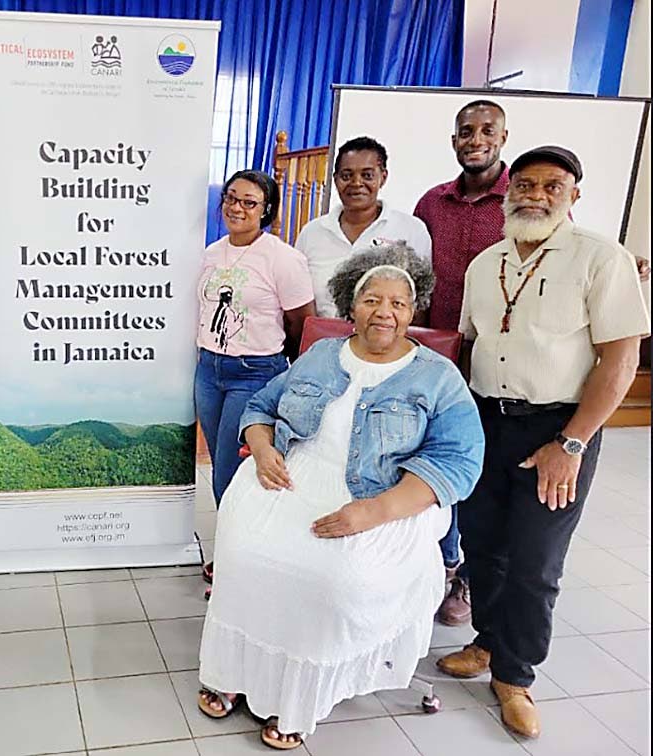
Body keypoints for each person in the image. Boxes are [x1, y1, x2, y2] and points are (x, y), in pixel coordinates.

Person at [197, 244, 484, 749]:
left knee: (332, 578)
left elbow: (457, 462)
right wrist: (262, 449)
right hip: (294, 472)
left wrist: (373, 512)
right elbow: (264, 404)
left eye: (399, 302)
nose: (385, 312)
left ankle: (293, 698)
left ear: (413, 310)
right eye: (372, 299)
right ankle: (239, 671)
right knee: (243, 554)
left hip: (385, 495)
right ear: (350, 305)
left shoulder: (438, 377)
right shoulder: (322, 354)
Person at [440, 146, 649, 740]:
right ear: (509, 192)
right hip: (485, 422)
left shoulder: (600, 259)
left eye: (552, 186)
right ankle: (487, 642)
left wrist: (573, 442)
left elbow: (621, 359)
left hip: (558, 429)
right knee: (483, 545)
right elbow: (472, 342)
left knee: (536, 561)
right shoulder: (486, 263)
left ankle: (516, 675)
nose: (535, 194)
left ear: (573, 195)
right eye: (525, 184)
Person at [413, 99, 510, 626]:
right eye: (465, 131)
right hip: (437, 357)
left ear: (503, 136)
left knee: (485, 473)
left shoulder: (524, 200)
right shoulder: (431, 204)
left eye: (486, 130)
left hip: (496, 363)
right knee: (437, 462)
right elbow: (416, 281)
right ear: (454, 141)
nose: (476, 139)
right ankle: (437, 563)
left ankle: (468, 578)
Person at [196, 169, 315, 586]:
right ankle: (233, 549)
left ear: (266, 210)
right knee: (217, 464)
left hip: (256, 373)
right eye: (231, 198)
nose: (237, 208)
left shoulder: (283, 258)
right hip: (209, 369)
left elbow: (303, 324)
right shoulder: (212, 253)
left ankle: (236, 560)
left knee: (232, 467)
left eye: (249, 202)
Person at [295, 136, 431, 317]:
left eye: (367, 175)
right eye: (346, 175)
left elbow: (420, 303)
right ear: (335, 179)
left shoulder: (411, 230)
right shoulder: (312, 233)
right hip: (323, 338)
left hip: (386, 339)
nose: (356, 183)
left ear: (383, 177)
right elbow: (299, 297)